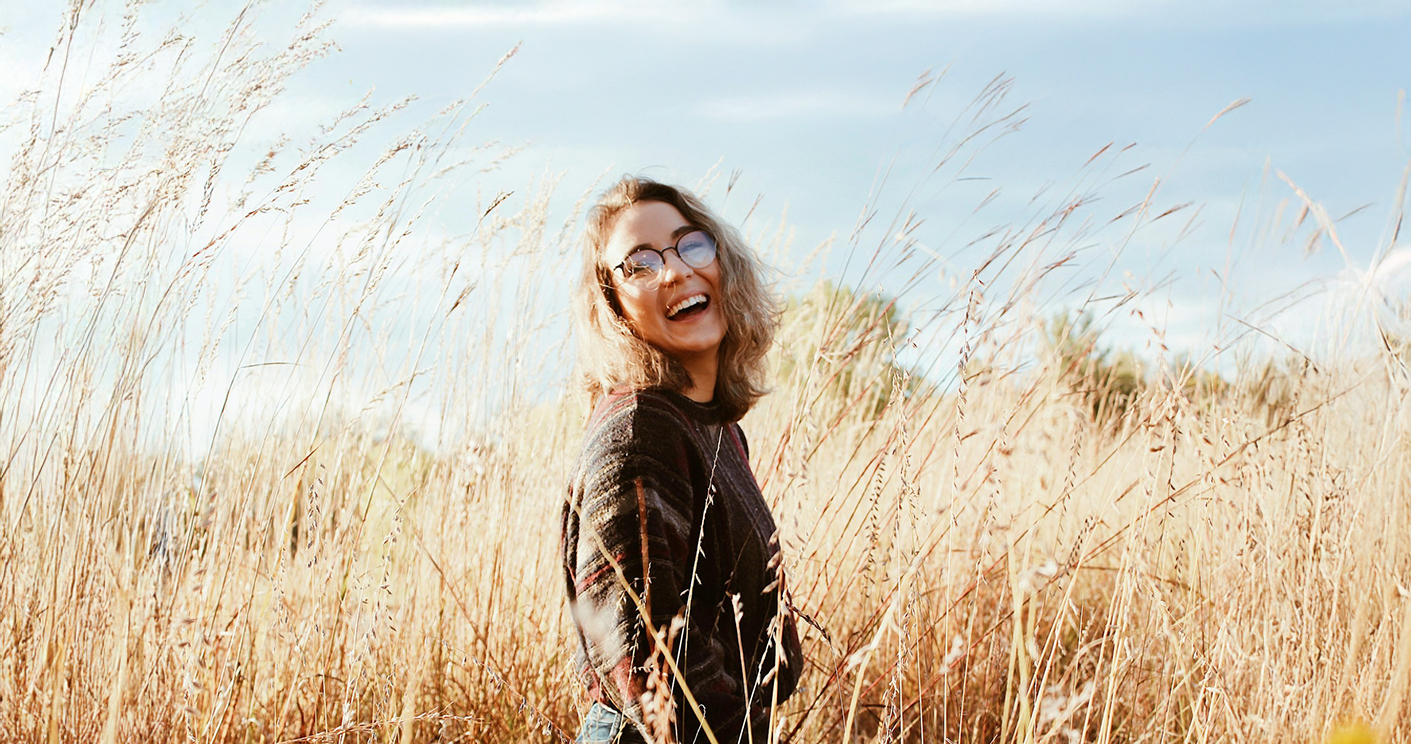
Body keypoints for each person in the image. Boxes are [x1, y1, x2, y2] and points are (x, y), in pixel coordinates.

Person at [561, 175, 804, 744]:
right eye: (639, 264)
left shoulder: (715, 429)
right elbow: (651, 663)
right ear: (615, 307)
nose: (674, 270)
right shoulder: (640, 429)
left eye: (690, 243)